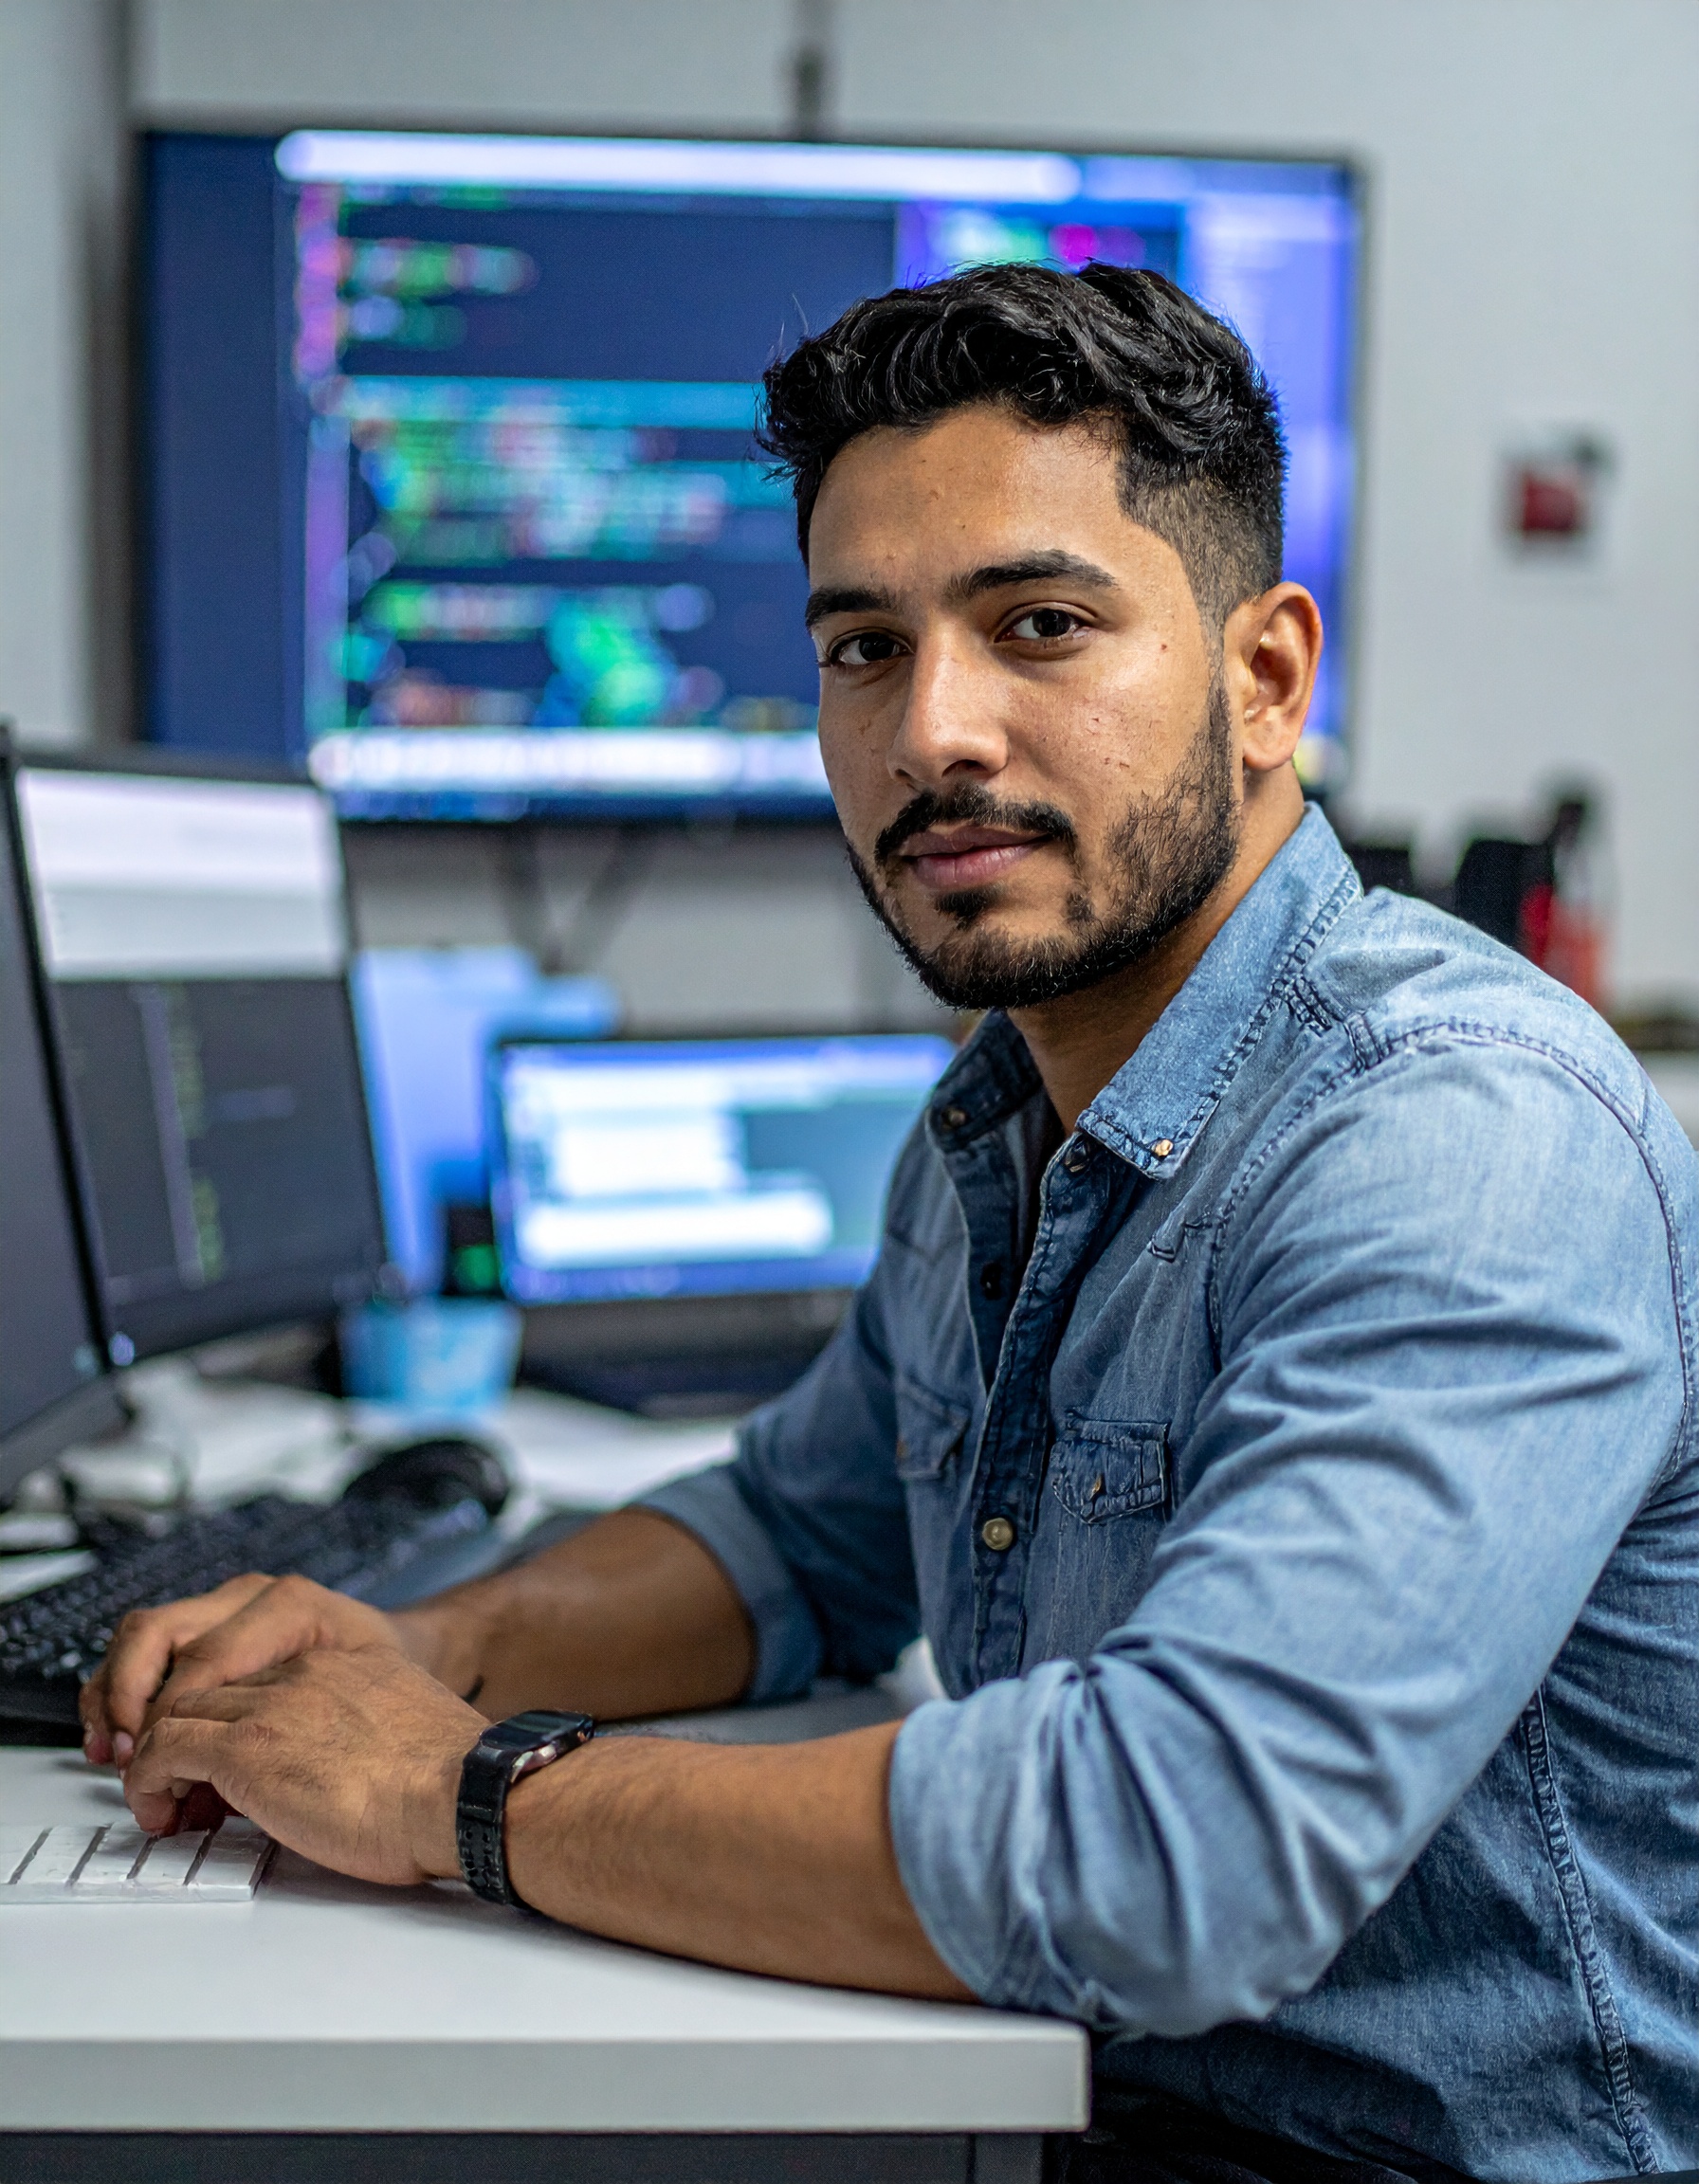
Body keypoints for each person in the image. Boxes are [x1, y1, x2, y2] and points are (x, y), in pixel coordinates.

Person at [82, 265, 1698, 2184]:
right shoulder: (1004, 1115)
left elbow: (1169, 1856)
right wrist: (414, 1650)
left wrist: (454, 1787)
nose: (933, 729)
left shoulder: (1455, 1136)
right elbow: (799, 1530)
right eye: (862, 648)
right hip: (1078, 2108)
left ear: (1262, 681)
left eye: (1037, 626)